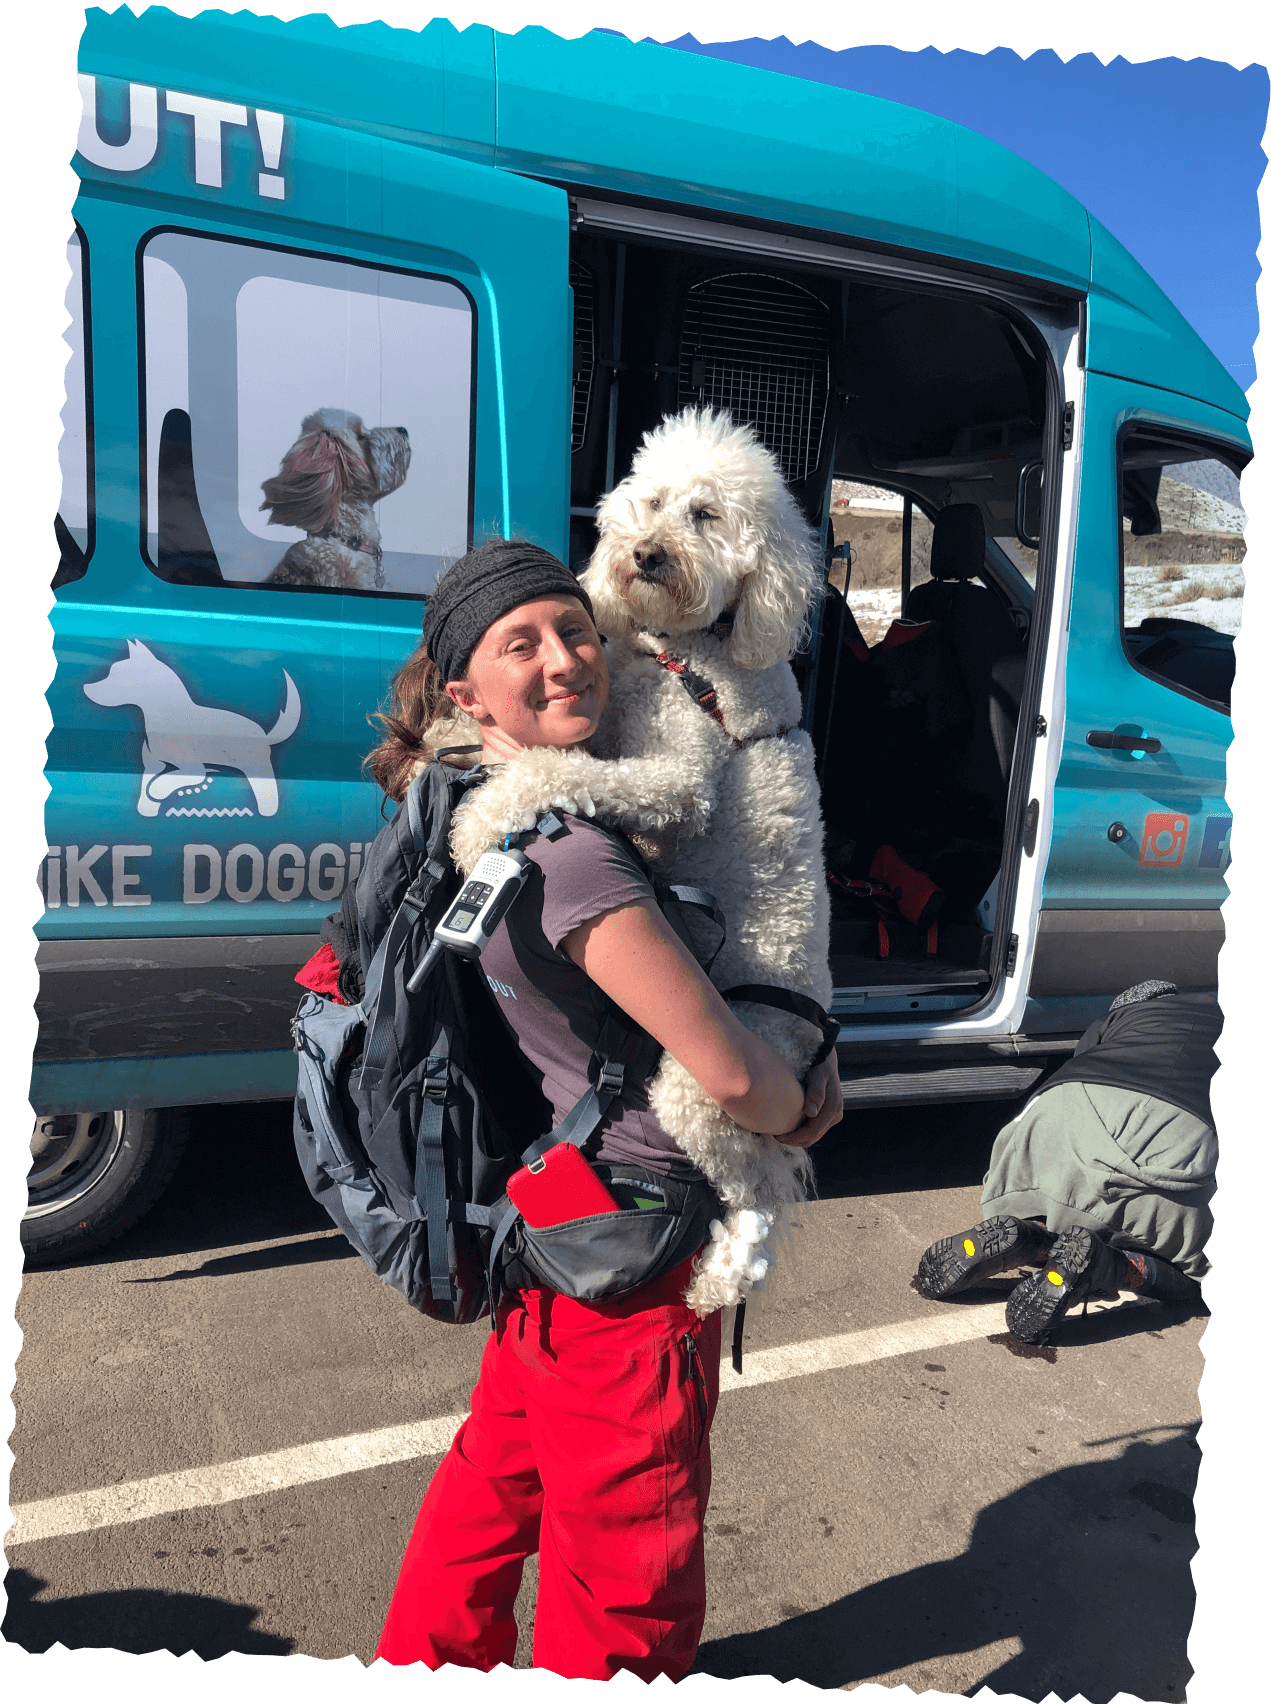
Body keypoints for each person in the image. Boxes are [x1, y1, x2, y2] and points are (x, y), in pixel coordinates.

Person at [368, 540, 844, 1679]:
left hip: (549, 1233)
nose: (565, 661)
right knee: (626, 1582)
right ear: (461, 688)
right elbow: (726, 1073)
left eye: (572, 631)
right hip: (632, 1256)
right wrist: (799, 1109)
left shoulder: (464, 806)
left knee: (487, 1503)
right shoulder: (577, 858)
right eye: (518, 645)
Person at [916, 980, 1218, 1344]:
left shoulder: (1132, 1013)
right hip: (1180, 1139)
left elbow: (1079, 1059)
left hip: (1060, 1115)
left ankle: (1032, 1238)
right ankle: (1112, 1267)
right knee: (1194, 1274)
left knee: (1067, 1194)